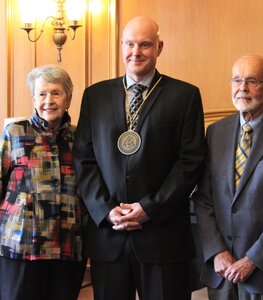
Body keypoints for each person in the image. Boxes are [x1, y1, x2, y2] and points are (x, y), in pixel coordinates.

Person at [73, 16, 205, 300]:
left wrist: (149, 208)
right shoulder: (94, 96)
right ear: (121, 46)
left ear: (159, 47)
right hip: (109, 235)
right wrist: (106, 210)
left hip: (163, 237)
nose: (137, 52)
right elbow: (84, 160)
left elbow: (190, 162)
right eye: (130, 44)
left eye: (145, 44)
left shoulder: (185, 96)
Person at [195, 54, 263, 300]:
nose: (242, 88)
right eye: (237, 80)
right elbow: (203, 200)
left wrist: (253, 259)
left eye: (252, 81)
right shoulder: (215, 132)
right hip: (222, 273)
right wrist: (216, 250)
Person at [0, 65, 86, 300]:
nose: (49, 100)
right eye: (42, 94)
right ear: (33, 99)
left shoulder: (82, 138)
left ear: (68, 99)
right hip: (20, 246)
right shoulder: (15, 133)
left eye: (56, 93)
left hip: (68, 246)